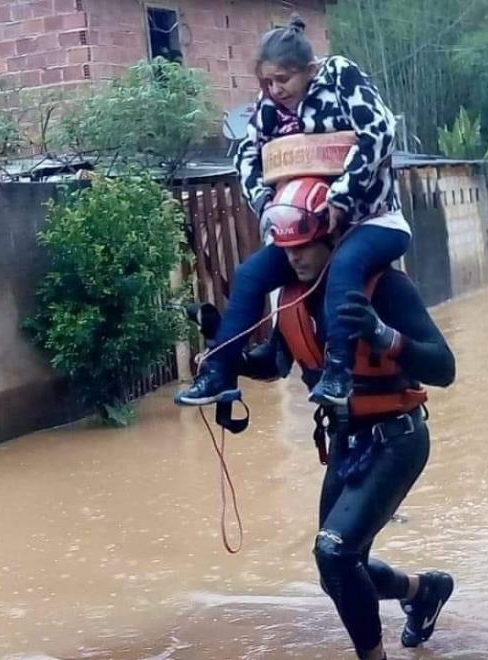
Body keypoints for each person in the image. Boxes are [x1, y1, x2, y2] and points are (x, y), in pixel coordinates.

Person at [190, 177, 456, 660]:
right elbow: (275, 365)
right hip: (347, 441)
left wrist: (383, 337)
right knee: (335, 567)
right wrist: (225, 352)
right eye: (286, 249)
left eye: (305, 246)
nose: (295, 258)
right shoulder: (287, 296)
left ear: (334, 236)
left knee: (335, 553)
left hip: (397, 437)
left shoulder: (385, 287)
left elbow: (444, 368)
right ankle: (423, 591)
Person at [175, 15, 411, 408]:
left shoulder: (339, 76)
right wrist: (269, 207)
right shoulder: (266, 108)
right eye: (267, 81)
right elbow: (247, 156)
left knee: (346, 264)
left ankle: (339, 371)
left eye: (283, 79)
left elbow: (380, 130)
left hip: (370, 220)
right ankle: (219, 370)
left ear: (310, 70)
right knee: (251, 274)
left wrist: (341, 197)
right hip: (305, 231)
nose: (275, 89)